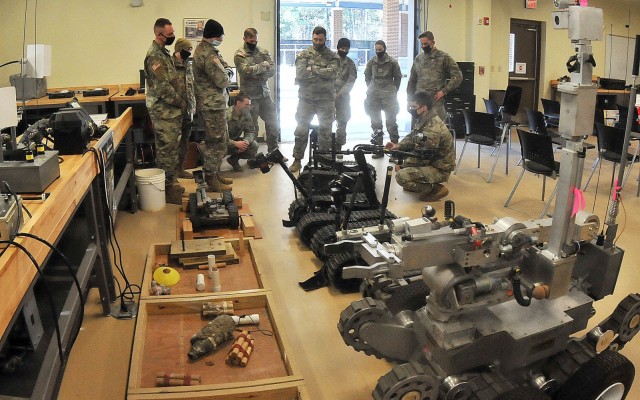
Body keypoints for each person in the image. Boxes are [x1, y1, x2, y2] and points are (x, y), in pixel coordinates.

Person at [144, 18, 186, 205]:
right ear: (158, 34)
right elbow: (163, 87)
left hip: (171, 112)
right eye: (169, 35)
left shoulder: (164, 53)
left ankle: (170, 183)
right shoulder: (154, 56)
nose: (172, 37)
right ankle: (167, 191)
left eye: (172, 33)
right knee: (166, 150)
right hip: (164, 112)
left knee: (171, 149)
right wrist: (180, 102)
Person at [385, 92, 455, 202]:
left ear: (424, 108)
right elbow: (413, 137)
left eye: (414, 107)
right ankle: (420, 183)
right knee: (403, 169)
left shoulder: (432, 127)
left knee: (401, 176)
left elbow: (424, 157)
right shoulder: (424, 119)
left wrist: (404, 165)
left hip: (439, 168)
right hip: (432, 162)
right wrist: (398, 146)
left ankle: (435, 189)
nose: (411, 109)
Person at [289, 26, 340, 173]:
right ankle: (297, 160)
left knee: (325, 131)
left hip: (326, 100)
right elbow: (300, 75)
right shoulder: (304, 54)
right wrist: (321, 73)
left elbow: (333, 73)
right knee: (301, 130)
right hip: (306, 99)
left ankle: (324, 162)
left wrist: (313, 69)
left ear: (325, 39)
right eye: (315, 39)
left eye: (321, 40)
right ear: (312, 37)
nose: (318, 42)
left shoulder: (333, 56)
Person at [192, 19, 234, 192]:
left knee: (221, 140)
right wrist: (229, 73)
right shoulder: (207, 54)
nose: (222, 40)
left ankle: (215, 172)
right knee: (215, 142)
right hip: (212, 105)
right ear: (215, 36)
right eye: (221, 36)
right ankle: (210, 176)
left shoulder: (210, 50)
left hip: (215, 104)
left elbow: (225, 67)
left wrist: (227, 70)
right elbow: (223, 79)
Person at [234, 28, 287, 162]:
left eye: (256, 40)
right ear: (244, 39)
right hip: (250, 97)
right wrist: (263, 66)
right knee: (253, 128)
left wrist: (256, 71)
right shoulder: (240, 54)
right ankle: (253, 157)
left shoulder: (263, 51)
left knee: (273, 122)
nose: (254, 42)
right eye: (251, 40)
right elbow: (245, 71)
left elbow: (273, 69)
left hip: (264, 94)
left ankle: (274, 152)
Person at [407, 31, 462, 122]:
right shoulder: (418, 59)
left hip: (435, 101)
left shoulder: (443, 57)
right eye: (421, 44)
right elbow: (412, 81)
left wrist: (444, 91)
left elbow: (457, 76)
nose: (423, 46)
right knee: (418, 131)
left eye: (426, 44)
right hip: (419, 102)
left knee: (436, 130)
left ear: (432, 42)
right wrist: (409, 99)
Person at [364, 40, 402, 159]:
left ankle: (394, 151)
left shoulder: (392, 62)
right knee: (376, 124)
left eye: (380, 50)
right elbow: (367, 77)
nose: (378, 52)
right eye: (376, 50)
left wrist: (393, 90)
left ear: (385, 49)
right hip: (374, 96)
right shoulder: (371, 62)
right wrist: (371, 88)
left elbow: (398, 78)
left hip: (389, 96)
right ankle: (378, 150)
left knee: (391, 123)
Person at [173, 38, 196, 180]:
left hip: (188, 110)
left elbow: (191, 86)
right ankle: (171, 173)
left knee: (184, 141)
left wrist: (193, 105)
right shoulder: (169, 64)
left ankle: (180, 168)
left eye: (190, 50)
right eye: (187, 49)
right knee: (173, 142)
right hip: (174, 110)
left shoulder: (189, 64)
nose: (189, 52)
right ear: (179, 49)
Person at [334, 37, 357, 156]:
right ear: (338, 48)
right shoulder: (330, 60)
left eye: (346, 49)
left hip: (343, 98)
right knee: (326, 122)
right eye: (342, 48)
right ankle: (326, 146)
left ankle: (339, 146)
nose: (344, 51)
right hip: (328, 97)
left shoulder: (350, 63)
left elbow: (351, 80)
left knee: (342, 122)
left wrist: (340, 94)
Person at [226, 93, 259, 171]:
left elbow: (250, 131)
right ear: (238, 103)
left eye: (249, 105)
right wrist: (235, 143)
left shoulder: (246, 114)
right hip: (222, 143)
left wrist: (246, 141)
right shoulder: (227, 115)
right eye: (246, 105)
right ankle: (214, 172)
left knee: (254, 146)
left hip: (234, 140)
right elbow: (220, 137)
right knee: (216, 150)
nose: (249, 107)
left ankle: (233, 160)